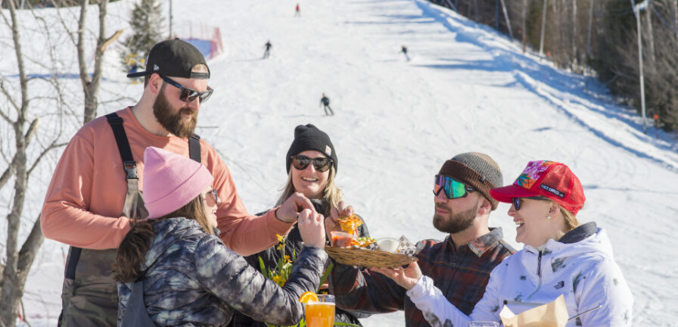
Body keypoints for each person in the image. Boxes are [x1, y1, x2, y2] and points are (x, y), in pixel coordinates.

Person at [41, 39, 314, 326]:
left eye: (201, 96)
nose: (194, 105)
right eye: (186, 94)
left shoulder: (202, 155)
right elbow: (55, 218)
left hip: (169, 312)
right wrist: (139, 234)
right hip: (96, 306)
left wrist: (281, 218)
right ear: (155, 83)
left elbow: (233, 235)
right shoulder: (97, 138)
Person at [382, 160, 634, 326]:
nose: (510, 213)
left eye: (518, 202)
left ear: (552, 208)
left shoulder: (595, 272)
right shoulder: (510, 269)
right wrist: (418, 287)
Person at [113, 147, 328, 326]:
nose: (218, 202)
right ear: (191, 200)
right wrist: (313, 250)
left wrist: (280, 217)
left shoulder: (137, 251)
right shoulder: (201, 251)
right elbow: (287, 310)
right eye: (210, 193)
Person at [329, 152, 515, 327]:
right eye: (438, 184)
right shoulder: (424, 253)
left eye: (453, 188)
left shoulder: (509, 267)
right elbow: (353, 297)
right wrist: (344, 246)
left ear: (484, 205)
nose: (440, 197)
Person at [229, 124, 370, 326]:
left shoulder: (350, 226)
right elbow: (242, 303)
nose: (310, 169)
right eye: (301, 161)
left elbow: (368, 304)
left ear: (331, 170)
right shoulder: (264, 226)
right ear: (291, 167)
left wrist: (343, 254)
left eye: (320, 163)